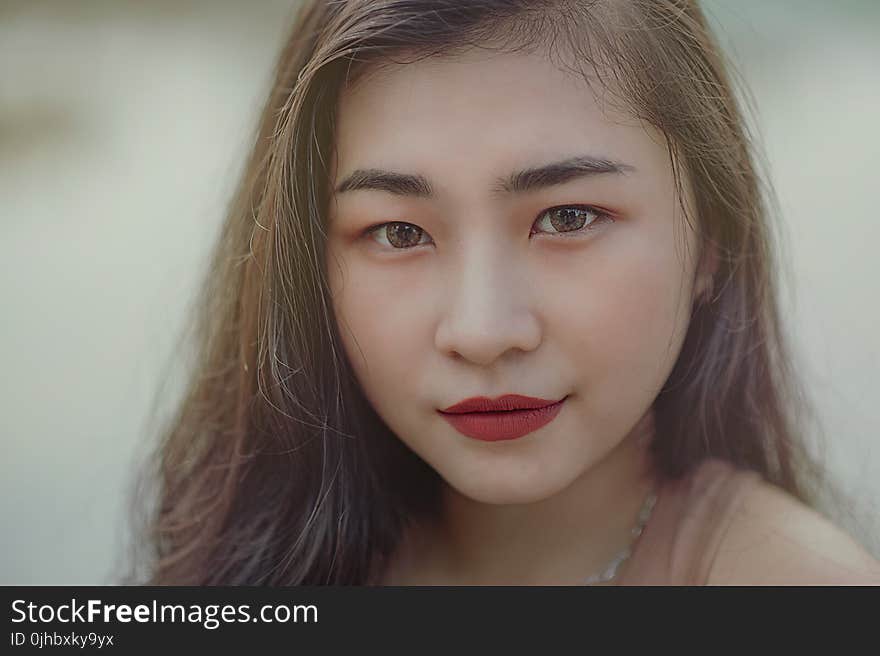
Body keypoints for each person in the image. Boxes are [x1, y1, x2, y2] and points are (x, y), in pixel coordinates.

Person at [132, 0, 880, 585]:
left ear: (711, 240)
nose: (484, 330)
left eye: (568, 217)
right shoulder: (247, 568)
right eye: (398, 232)